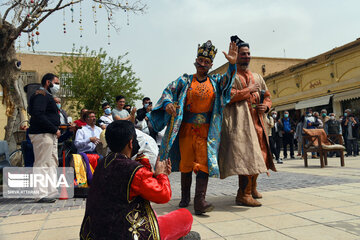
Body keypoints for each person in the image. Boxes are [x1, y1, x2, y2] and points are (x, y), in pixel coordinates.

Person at [148, 40, 238, 215]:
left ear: (211, 65)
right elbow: (168, 91)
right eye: (200, 60)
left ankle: (200, 200)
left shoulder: (216, 81)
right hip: (186, 129)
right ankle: (185, 197)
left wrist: (232, 65)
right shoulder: (185, 80)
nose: (202, 64)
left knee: (203, 163)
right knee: (186, 163)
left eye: (206, 62)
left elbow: (228, 84)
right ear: (196, 61)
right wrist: (167, 104)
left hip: (207, 131)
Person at [79, 120, 198, 240]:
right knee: (185, 216)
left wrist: (154, 175)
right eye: (135, 139)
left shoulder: (102, 163)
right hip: (123, 233)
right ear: (131, 143)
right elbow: (163, 195)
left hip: (93, 233)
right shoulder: (133, 169)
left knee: (154, 215)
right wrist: (162, 175)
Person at [218, 36, 276, 207]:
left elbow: (267, 96)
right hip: (241, 125)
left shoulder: (258, 77)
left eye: (248, 53)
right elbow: (227, 96)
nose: (246, 56)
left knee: (262, 157)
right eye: (243, 54)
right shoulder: (231, 77)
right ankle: (244, 194)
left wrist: (265, 107)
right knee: (246, 159)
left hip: (259, 123)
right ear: (237, 56)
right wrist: (248, 90)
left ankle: (253, 187)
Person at [28, 73, 61, 203]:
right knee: (42, 164)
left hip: (50, 135)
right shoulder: (40, 95)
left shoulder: (47, 96)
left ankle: (50, 191)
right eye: (56, 83)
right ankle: (40, 194)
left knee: (51, 163)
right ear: (48, 82)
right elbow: (37, 114)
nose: (57, 86)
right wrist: (54, 128)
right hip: (42, 134)